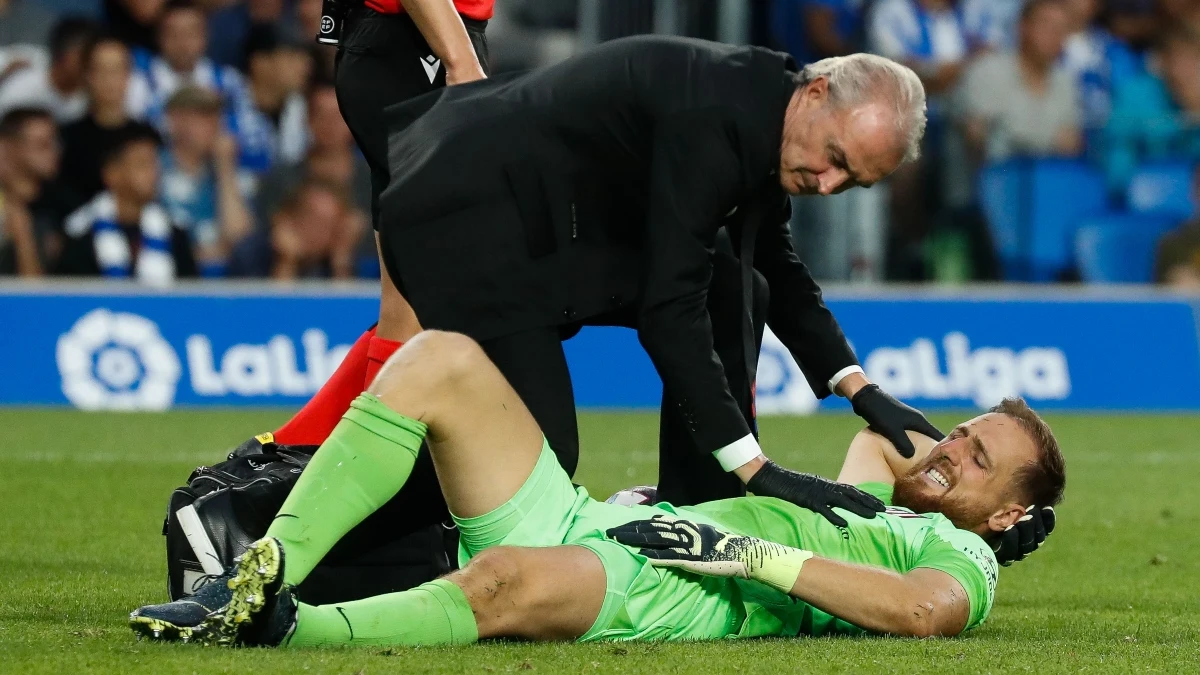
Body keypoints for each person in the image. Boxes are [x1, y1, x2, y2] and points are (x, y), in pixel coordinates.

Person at [129, 329, 1066, 646]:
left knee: (506, 584)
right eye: (961, 430)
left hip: (682, 587)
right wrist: (931, 453)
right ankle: (257, 569)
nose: (950, 450)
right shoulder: (880, 496)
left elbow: (916, 612)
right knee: (440, 360)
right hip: (607, 519)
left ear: (1009, 513)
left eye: (980, 458)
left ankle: (286, 628)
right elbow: (885, 454)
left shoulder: (963, 555)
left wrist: (751, 554)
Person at [377, 39, 941, 520]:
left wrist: (860, 389)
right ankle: (302, 502)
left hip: (543, 227)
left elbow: (777, 268)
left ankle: (701, 511)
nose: (826, 184)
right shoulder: (717, 119)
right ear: (816, 92)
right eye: (835, 157)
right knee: (536, 460)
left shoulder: (774, 118)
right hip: (466, 218)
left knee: (736, 287)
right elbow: (671, 308)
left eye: (850, 180)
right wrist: (756, 468)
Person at [56, 126, 196, 283]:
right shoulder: (80, 232)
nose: (154, 173)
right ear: (111, 174)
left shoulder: (174, 233)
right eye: (142, 164)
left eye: (155, 164)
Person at [956, 0, 1082, 165]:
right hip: (990, 183)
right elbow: (982, 142)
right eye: (1046, 25)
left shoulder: (1066, 83)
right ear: (1023, 26)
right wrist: (1050, 140)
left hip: (1046, 184)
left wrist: (1012, 132)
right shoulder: (987, 71)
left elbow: (1071, 145)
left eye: (1061, 29)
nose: (1054, 34)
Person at [159, 87, 252, 275]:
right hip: (171, 279)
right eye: (202, 116)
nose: (214, 125)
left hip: (226, 284)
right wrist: (190, 255)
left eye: (215, 116)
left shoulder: (228, 173)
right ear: (175, 120)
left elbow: (241, 239)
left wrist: (225, 170)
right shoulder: (154, 168)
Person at [58, 35, 156, 209]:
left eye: (117, 70)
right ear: (88, 76)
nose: (109, 80)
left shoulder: (148, 136)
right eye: (101, 70)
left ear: (128, 75)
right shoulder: (67, 138)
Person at [0, 107, 68, 273]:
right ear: (7, 147)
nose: (54, 151)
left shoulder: (67, 204)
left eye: (55, 142)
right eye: (42, 144)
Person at [0, 18, 98, 124]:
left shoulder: (87, 101)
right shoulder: (24, 70)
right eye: (84, 58)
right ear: (66, 54)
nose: (89, 65)